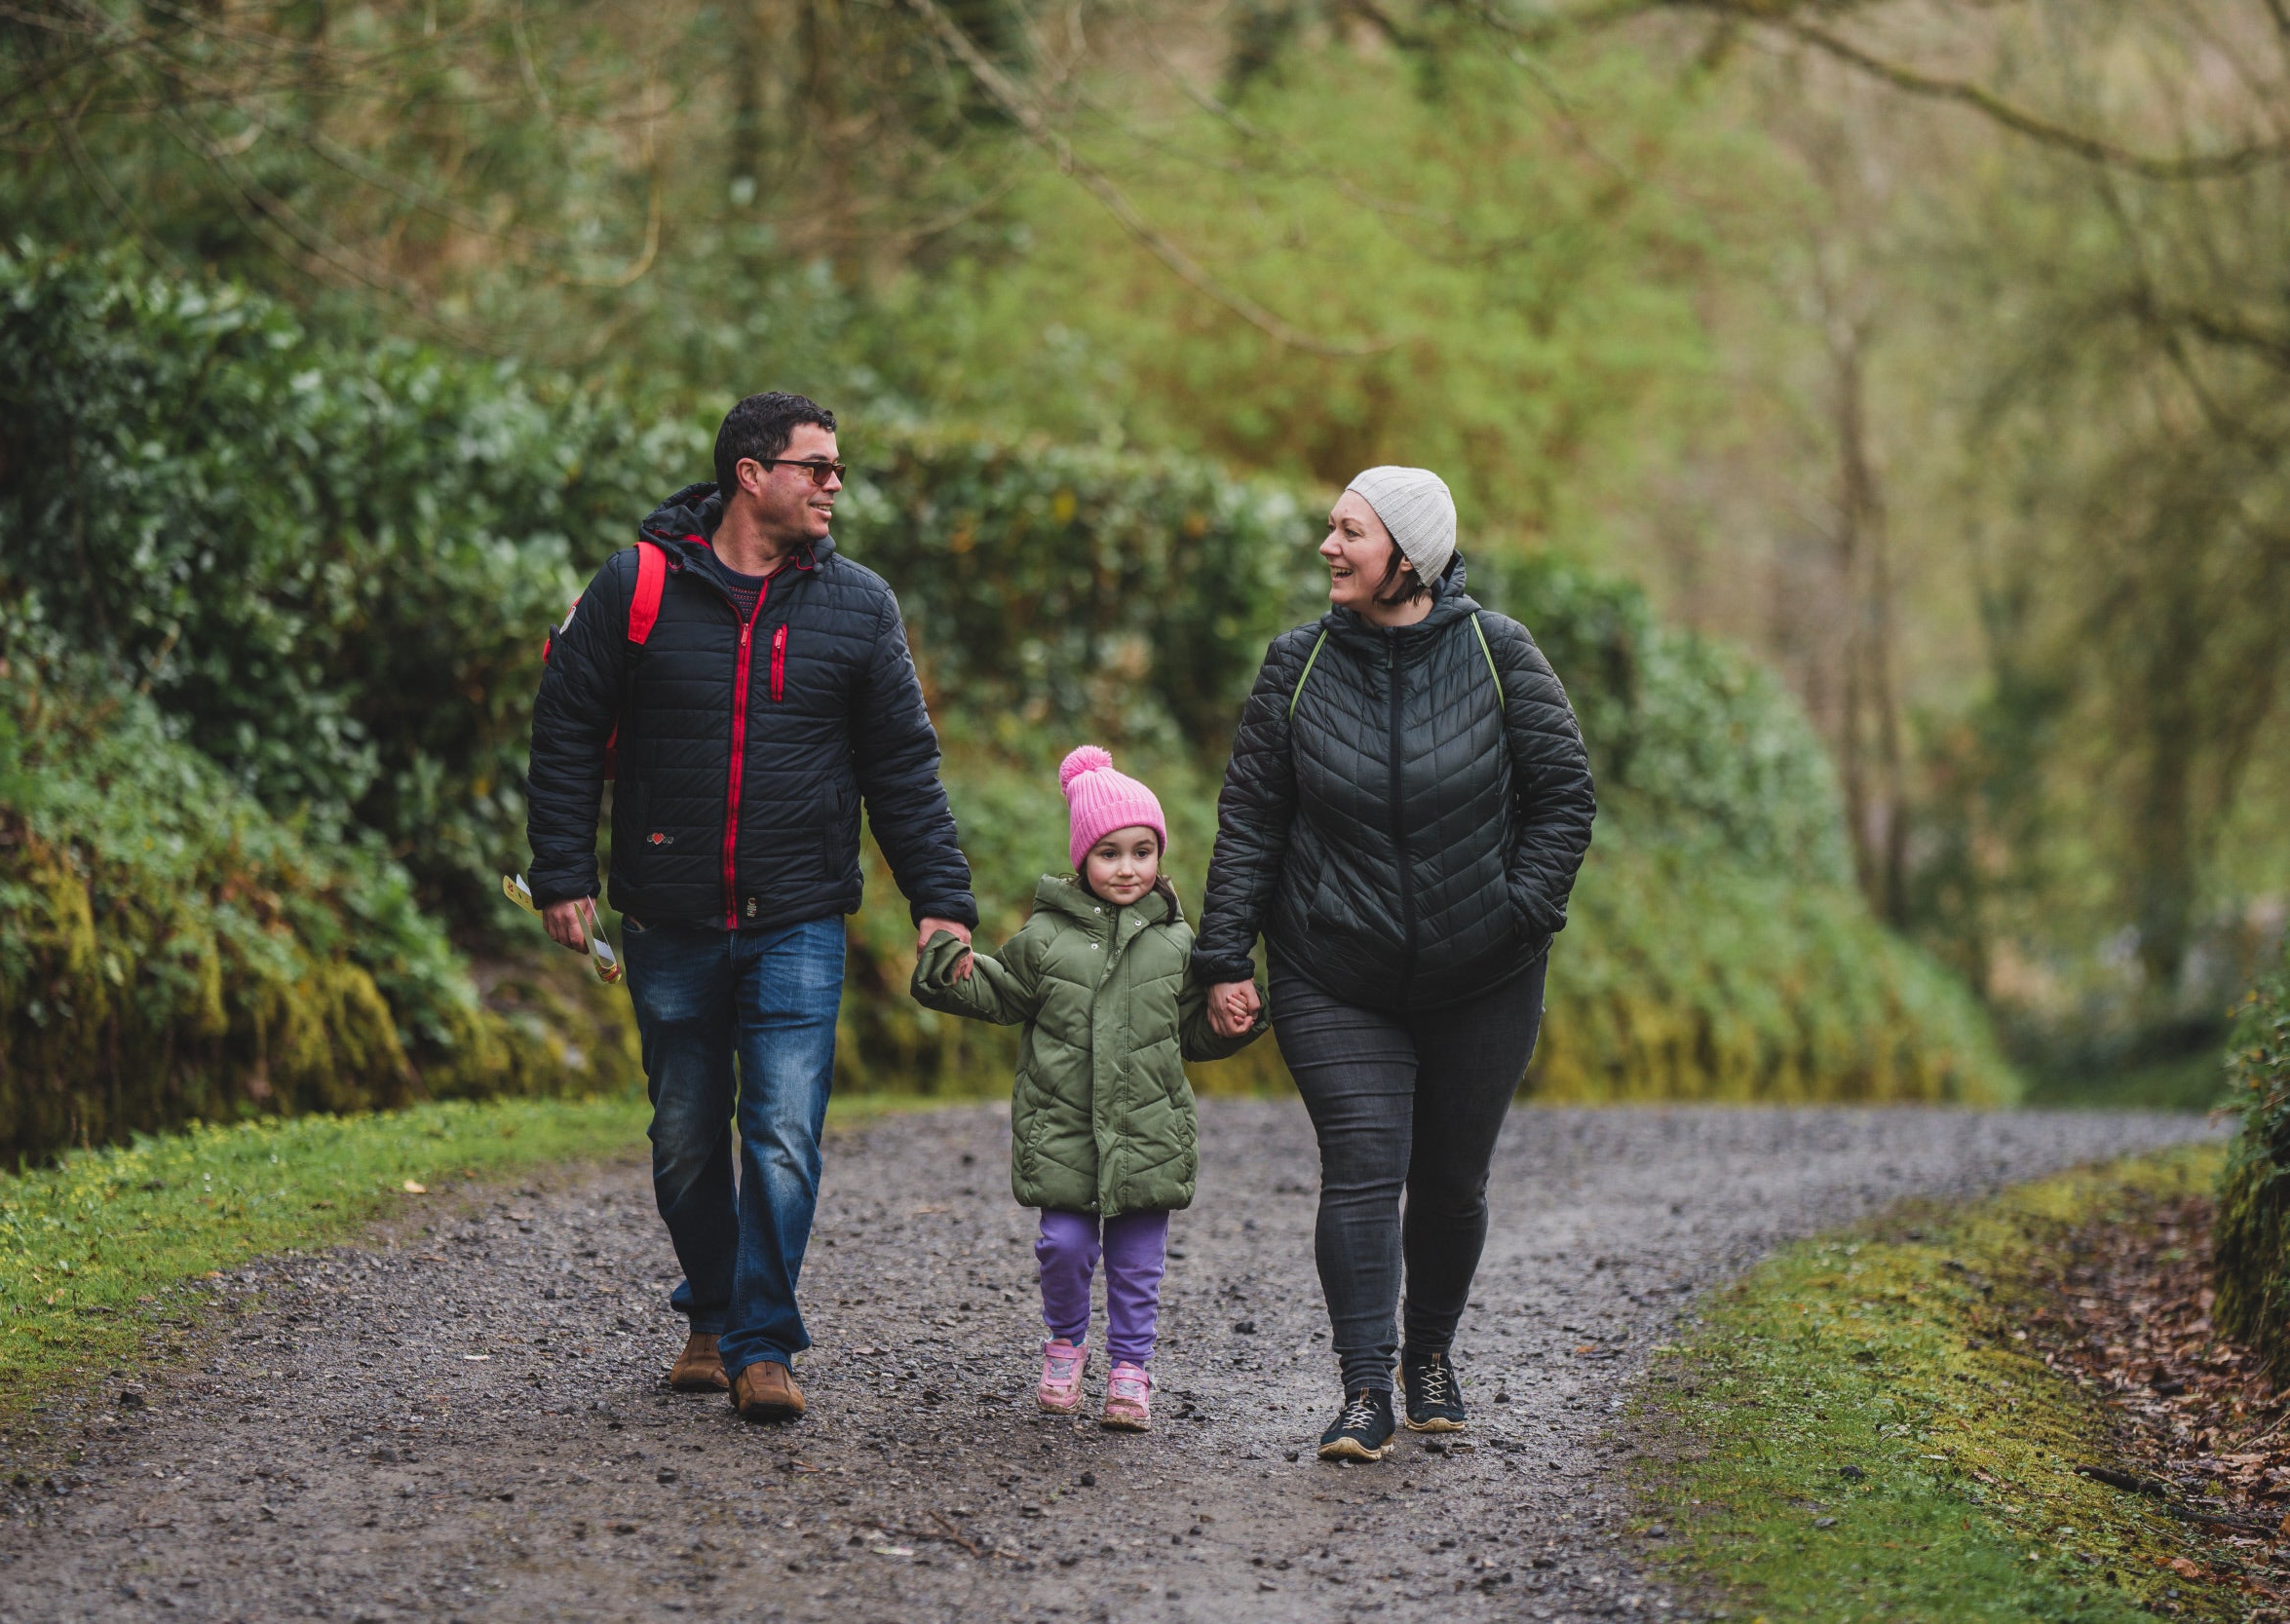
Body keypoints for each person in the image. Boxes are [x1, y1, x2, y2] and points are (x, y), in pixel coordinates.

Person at [525, 392, 978, 1424]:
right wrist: (562, 872)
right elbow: (565, 729)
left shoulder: (860, 605)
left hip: (799, 915)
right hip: (668, 909)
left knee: (780, 1130)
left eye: (837, 469)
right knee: (685, 1135)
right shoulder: (637, 585)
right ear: (748, 473)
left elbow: (902, 767)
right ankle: (714, 1307)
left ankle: (762, 1340)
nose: (833, 484)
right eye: (815, 466)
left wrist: (940, 900)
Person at [1193, 466, 1594, 1462]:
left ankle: (1428, 1356)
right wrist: (1223, 954)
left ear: (1409, 554)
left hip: (1485, 972)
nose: (1328, 547)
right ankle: (1363, 1388)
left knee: (1451, 1183)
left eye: (1349, 532)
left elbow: (1565, 796)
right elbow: (1250, 818)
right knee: (1363, 1172)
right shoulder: (1296, 665)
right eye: (1330, 529)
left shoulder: (1501, 655)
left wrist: (1520, 911)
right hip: (1335, 967)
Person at [910, 746, 1263, 1430]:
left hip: (1147, 1135)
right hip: (1065, 1133)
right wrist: (950, 968)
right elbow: (1000, 989)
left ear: (1158, 856)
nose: (1127, 867)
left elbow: (1192, 1032)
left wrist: (1233, 1023)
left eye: (1141, 850)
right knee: (1064, 1246)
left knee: (1138, 1264)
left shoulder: (1179, 945)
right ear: (1082, 860)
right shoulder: (1045, 940)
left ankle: (1131, 1368)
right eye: (1109, 853)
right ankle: (1065, 1345)